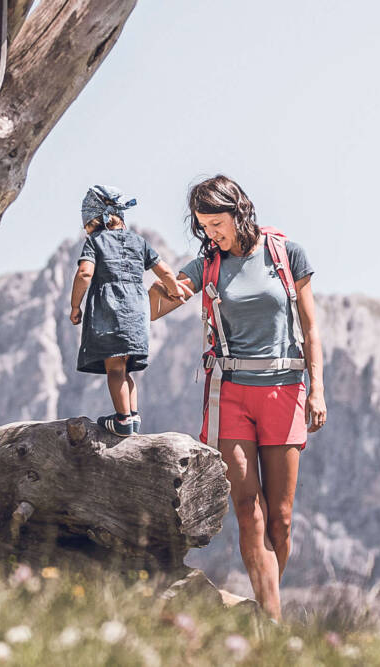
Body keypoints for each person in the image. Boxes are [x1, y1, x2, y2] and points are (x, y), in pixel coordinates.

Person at [149, 175, 324, 619]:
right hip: (230, 396)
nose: (212, 233)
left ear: (238, 212)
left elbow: (310, 327)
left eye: (217, 224)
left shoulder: (286, 254)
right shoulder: (207, 264)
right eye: (204, 226)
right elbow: (158, 304)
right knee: (249, 510)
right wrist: (127, 282)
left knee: (281, 520)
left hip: (284, 392)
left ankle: (267, 608)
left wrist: (317, 390)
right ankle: (273, 623)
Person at [68, 184, 192, 436]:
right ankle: (133, 417)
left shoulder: (95, 242)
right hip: (137, 314)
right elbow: (165, 271)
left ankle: (122, 419)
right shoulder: (139, 242)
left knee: (114, 368)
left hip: (109, 313)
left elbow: (84, 273)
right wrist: (175, 290)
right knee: (127, 367)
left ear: (96, 220)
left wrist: (75, 306)